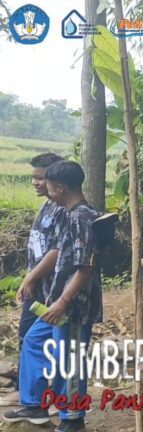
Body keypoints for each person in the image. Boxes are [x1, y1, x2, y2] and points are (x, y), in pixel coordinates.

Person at [3, 161, 103, 432]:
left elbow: (85, 268)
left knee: (69, 360)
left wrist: (63, 301)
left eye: (46, 184)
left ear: (60, 187)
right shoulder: (67, 214)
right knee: (34, 341)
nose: (43, 188)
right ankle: (33, 403)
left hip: (74, 305)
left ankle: (73, 418)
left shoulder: (81, 217)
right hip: (57, 302)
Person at [0, 153, 65, 407]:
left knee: (43, 340)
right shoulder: (46, 205)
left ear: (55, 179)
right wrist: (29, 278)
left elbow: (57, 250)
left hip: (51, 288)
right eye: (33, 177)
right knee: (28, 336)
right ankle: (28, 391)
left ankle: (41, 395)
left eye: (40, 178)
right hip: (37, 284)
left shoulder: (62, 210)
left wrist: (31, 277)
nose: (35, 182)